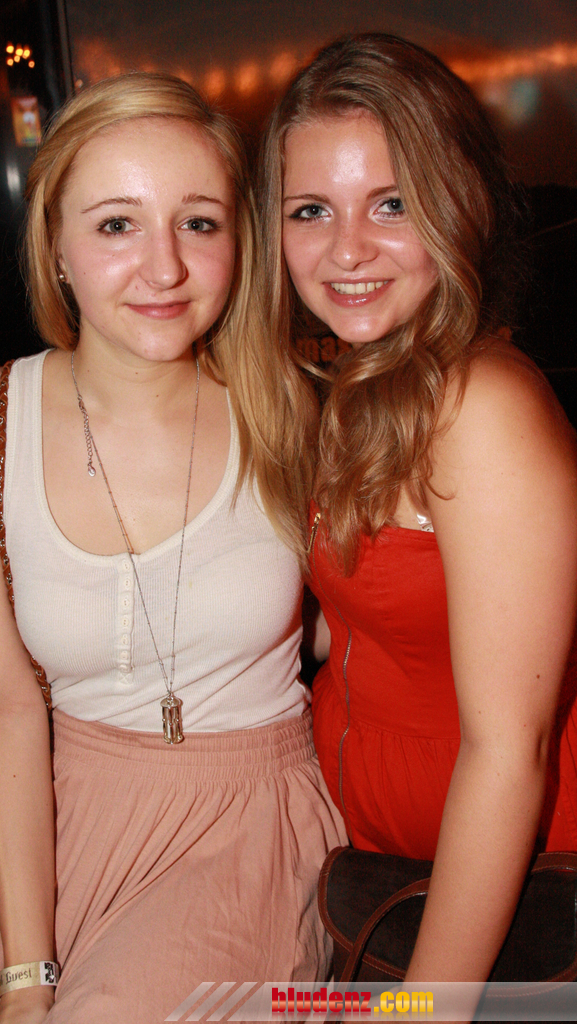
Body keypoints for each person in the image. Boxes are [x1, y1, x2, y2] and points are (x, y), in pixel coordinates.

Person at [0, 73, 345, 1024]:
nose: (164, 268)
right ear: (55, 246)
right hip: (53, 799)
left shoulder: (293, 410)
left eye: (198, 223)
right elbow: (3, 702)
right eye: (116, 225)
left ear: (239, 241)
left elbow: (365, 619)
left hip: (244, 818)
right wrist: (26, 971)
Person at [260, 33, 577, 983]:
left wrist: (424, 1009)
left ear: (458, 202)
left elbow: (508, 752)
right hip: (370, 866)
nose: (346, 249)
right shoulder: (368, 384)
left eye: (390, 203)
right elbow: (362, 627)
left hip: (499, 899)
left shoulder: (483, 408)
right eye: (310, 210)